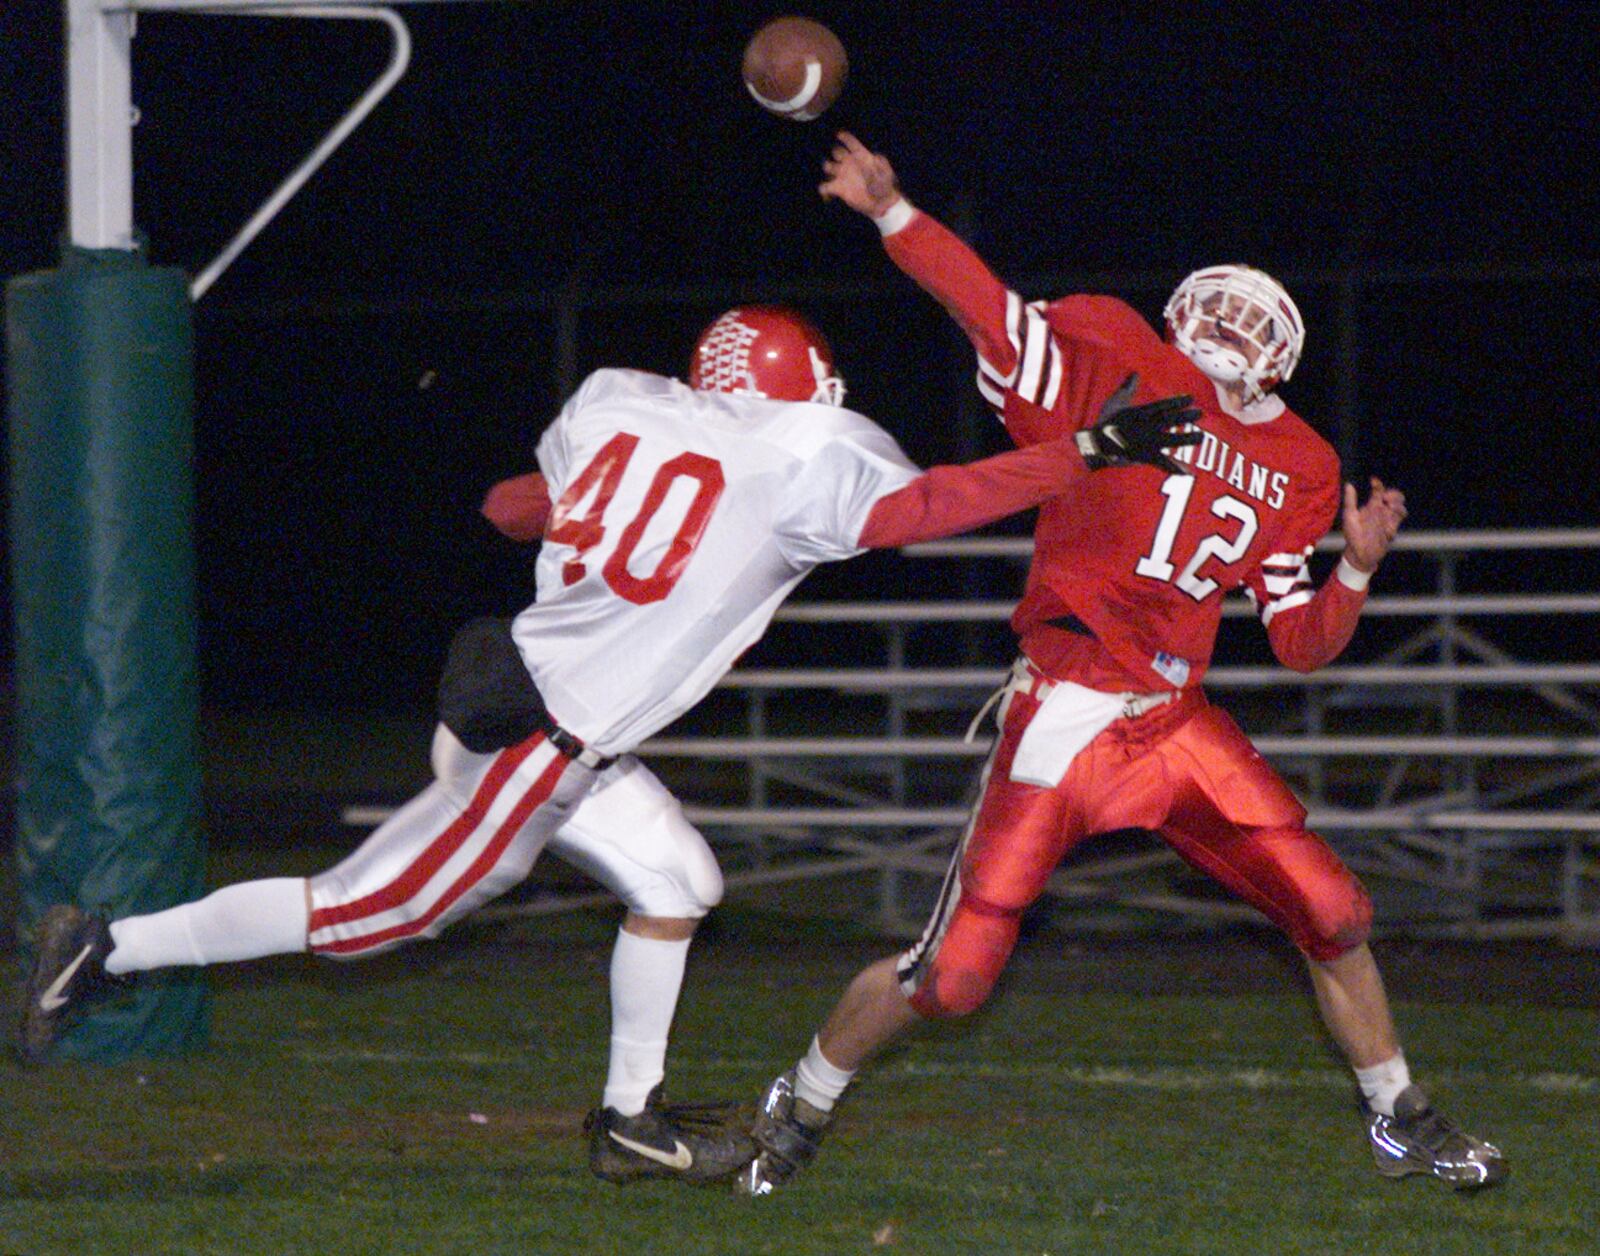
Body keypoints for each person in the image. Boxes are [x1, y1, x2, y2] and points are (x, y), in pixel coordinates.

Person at [18, 303, 1200, 1187]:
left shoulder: (615, 399)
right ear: (804, 386)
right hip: (545, 739)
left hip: (542, 706)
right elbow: (923, 507)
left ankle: (628, 1117)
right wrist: (1085, 453)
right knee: (371, 914)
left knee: (681, 880)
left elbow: (505, 508)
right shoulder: (801, 452)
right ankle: (106, 947)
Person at [742, 135, 1507, 1195]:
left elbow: (1298, 644)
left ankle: (1398, 1113)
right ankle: (804, 1095)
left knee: (1333, 913)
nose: (1236, 324)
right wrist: (893, 213)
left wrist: (1359, 571)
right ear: (1187, 309)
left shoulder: (1303, 463)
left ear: (1283, 355)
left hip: (1175, 719)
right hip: (1065, 701)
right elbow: (994, 313)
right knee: (954, 978)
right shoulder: (1116, 349)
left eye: (1259, 315)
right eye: (1224, 305)